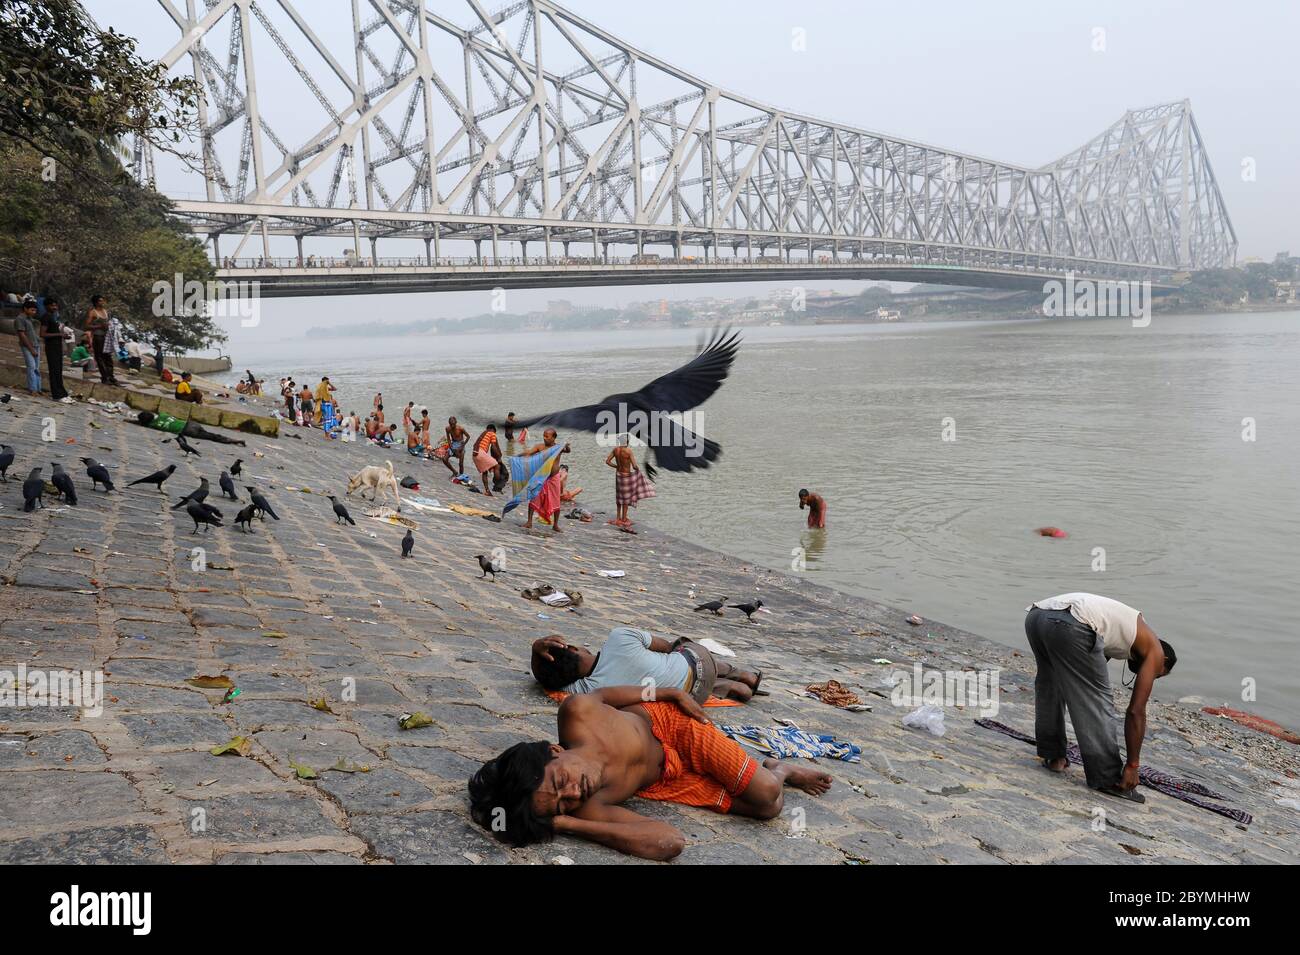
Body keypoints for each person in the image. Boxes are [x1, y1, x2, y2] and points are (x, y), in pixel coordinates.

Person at [468, 686, 832, 859]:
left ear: (554, 751)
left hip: (674, 728)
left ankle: (777, 771)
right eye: (563, 806)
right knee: (765, 810)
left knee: (767, 792)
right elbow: (669, 842)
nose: (574, 794)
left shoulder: (578, 712)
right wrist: (566, 825)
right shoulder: (588, 806)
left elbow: (617, 694)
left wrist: (671, 692)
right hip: (666, 779)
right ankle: (776, 766)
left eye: (560, 783)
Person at [1024, 593, 1177, 801]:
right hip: (1073, 622)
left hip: (1038, 616)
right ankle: (1107, 778)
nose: (1152, 677)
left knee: (1051, 684)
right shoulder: (1155, 651)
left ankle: (1053, 756)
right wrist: (1132, 765)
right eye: (1157, 673)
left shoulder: (1122, 632)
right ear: (1163, 659)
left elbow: (1082, 673)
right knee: (1098, 701)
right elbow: (1135, 711)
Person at [532, 628, 761, 703]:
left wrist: (536, 651)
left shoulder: (585, 691)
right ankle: (741, 674)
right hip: (699, 662)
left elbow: (547, 680)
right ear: (572, 649)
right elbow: (666, 647)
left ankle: (733, 689)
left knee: (687, 679)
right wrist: (536, 645)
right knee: (682, 648)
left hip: (693, 696)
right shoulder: (619, 637)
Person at [605, 435, 654, 528]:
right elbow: (634, 465)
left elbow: (607, 461)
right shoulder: (628, 451)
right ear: (626, 442)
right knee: (626, 498)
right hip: (626, 476)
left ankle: (618, 517)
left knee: (619, 497)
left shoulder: (616, 450)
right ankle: (624, 518)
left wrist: (616, 466)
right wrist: (638, 469)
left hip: (618, 475)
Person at [134, 410, 246, 446]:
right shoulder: (163, 415)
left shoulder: (153, 425)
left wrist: (128, 420)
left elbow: (140, 423)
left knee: (212, 437)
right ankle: (234, 440)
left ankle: (234, 441)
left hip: (187, 430)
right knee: (211, 435)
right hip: (191, 424)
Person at [39, 297, 70, 402]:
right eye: (52, 305)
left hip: (57, 346)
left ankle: (62, 393)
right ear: (46, 306)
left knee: (58, 370)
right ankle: (57, 395)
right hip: (51, 347)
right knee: (54, 370)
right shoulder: (46, 317)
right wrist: (59, 334)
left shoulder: (53, 317)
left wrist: (62, 335)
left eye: (56, 305)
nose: (55, 307)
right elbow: (42, 334)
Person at [523, 460, 566, 533]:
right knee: (534, 497)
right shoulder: (543, 448)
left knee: (556, 500)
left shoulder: (558, 449)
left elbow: (568, 450)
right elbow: (532, 454)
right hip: (542, 475)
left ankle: (555, 525)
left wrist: (563, 447)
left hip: (554, 477)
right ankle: (529, 522)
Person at [86, 295, 118, 385]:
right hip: (98, 337)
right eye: (100, 301)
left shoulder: (105, 311)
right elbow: (87, 326)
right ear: (96, 302)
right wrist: (99, 326)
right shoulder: (93, 312)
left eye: (103, 300)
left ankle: (111, 377)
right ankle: (105, 378)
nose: (102, 302)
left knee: (108, 358)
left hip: (107, 337)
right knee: (100, 358)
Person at [14, 299, 42, 396]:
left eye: (35, 310)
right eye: (32, 310)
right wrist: (31, 349)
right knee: (31, 367)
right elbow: (22, 335)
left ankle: (38, 389)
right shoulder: (19, 319)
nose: (34, 312)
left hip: (36, 345)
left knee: (37, 368)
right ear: (25, 308)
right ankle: (32, 389)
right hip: (27, 346)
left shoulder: (29, 319)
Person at [472, 424, 501, 497]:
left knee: (485, 472)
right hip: (481, 453)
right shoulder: (492, 433)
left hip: (475, 454)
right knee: (497, 466)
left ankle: (487, 491)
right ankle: (498, 485)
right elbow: (494, 447)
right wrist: (499, 457)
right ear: (493, 430)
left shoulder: (483, 434)